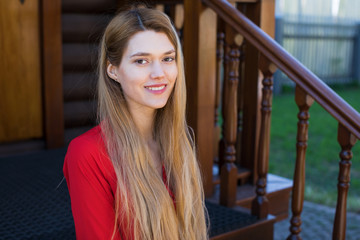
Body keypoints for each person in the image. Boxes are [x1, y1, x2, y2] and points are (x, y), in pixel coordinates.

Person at [63, 7, 208, 240]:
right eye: (141, 61)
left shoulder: (177, 142)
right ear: (113, 71)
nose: (159, 73)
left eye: (167, 58)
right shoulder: (88, 154)